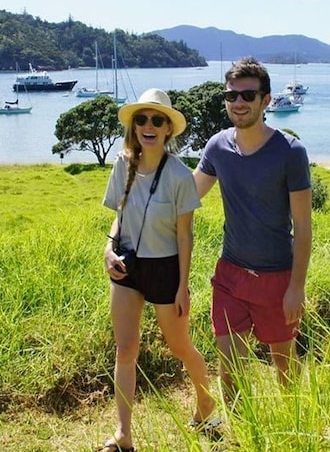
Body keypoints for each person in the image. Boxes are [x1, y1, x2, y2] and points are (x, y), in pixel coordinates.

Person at [99, 89, 215, 452]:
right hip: (128, 264)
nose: (149, 126)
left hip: (166, 268)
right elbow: (120, 218)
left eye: (157, 120)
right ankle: (124, 434)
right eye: (142, 119)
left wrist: (183, 287)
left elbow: (185, 236)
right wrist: (107, 248)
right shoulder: (123, 164)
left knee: (180, 347)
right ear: (134, 127)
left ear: (168, 130)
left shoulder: (180, 176)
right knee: (125, 349)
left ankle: (206, 403)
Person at [193, 57, 312, 401]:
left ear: (266, 100)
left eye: (248, 95)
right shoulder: (218, 146)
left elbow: (303, 226)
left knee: (284, 367)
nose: (239, 103)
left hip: (277, 277)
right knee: (229, 368)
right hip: (230, 274)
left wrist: (296, 288)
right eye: (232, 96)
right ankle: (240, 430)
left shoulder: (290, 152)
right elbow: (187, 195)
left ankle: (292, 427)